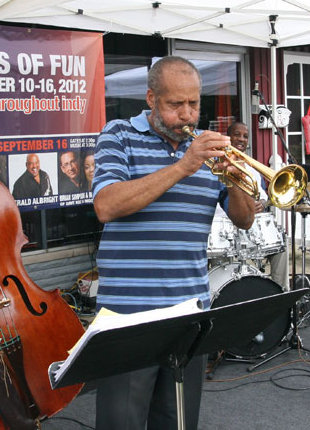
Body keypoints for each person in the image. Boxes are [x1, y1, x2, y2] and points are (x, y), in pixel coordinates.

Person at [91, 56, 255, 430]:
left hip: (188, 311)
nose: (187, 114)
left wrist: (232, 178)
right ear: (151, 98)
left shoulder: (210, 150)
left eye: (194, 104)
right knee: (122, 422)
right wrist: (184, 166)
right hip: (128, 313)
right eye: (175, 104)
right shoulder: (118, 135)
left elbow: (244, 219)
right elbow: (107, 205)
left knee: (177, 421)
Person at [224, 122, 288, 289]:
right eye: (237, 134)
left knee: (281, 246)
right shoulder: (219, 164)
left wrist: (260, 204)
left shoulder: (252, 168)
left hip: (251, 228)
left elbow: (263, 197)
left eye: (245, 136)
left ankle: (280, 291)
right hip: (226, 229)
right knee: (221, 258)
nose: (241, 139)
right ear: (227, 137)